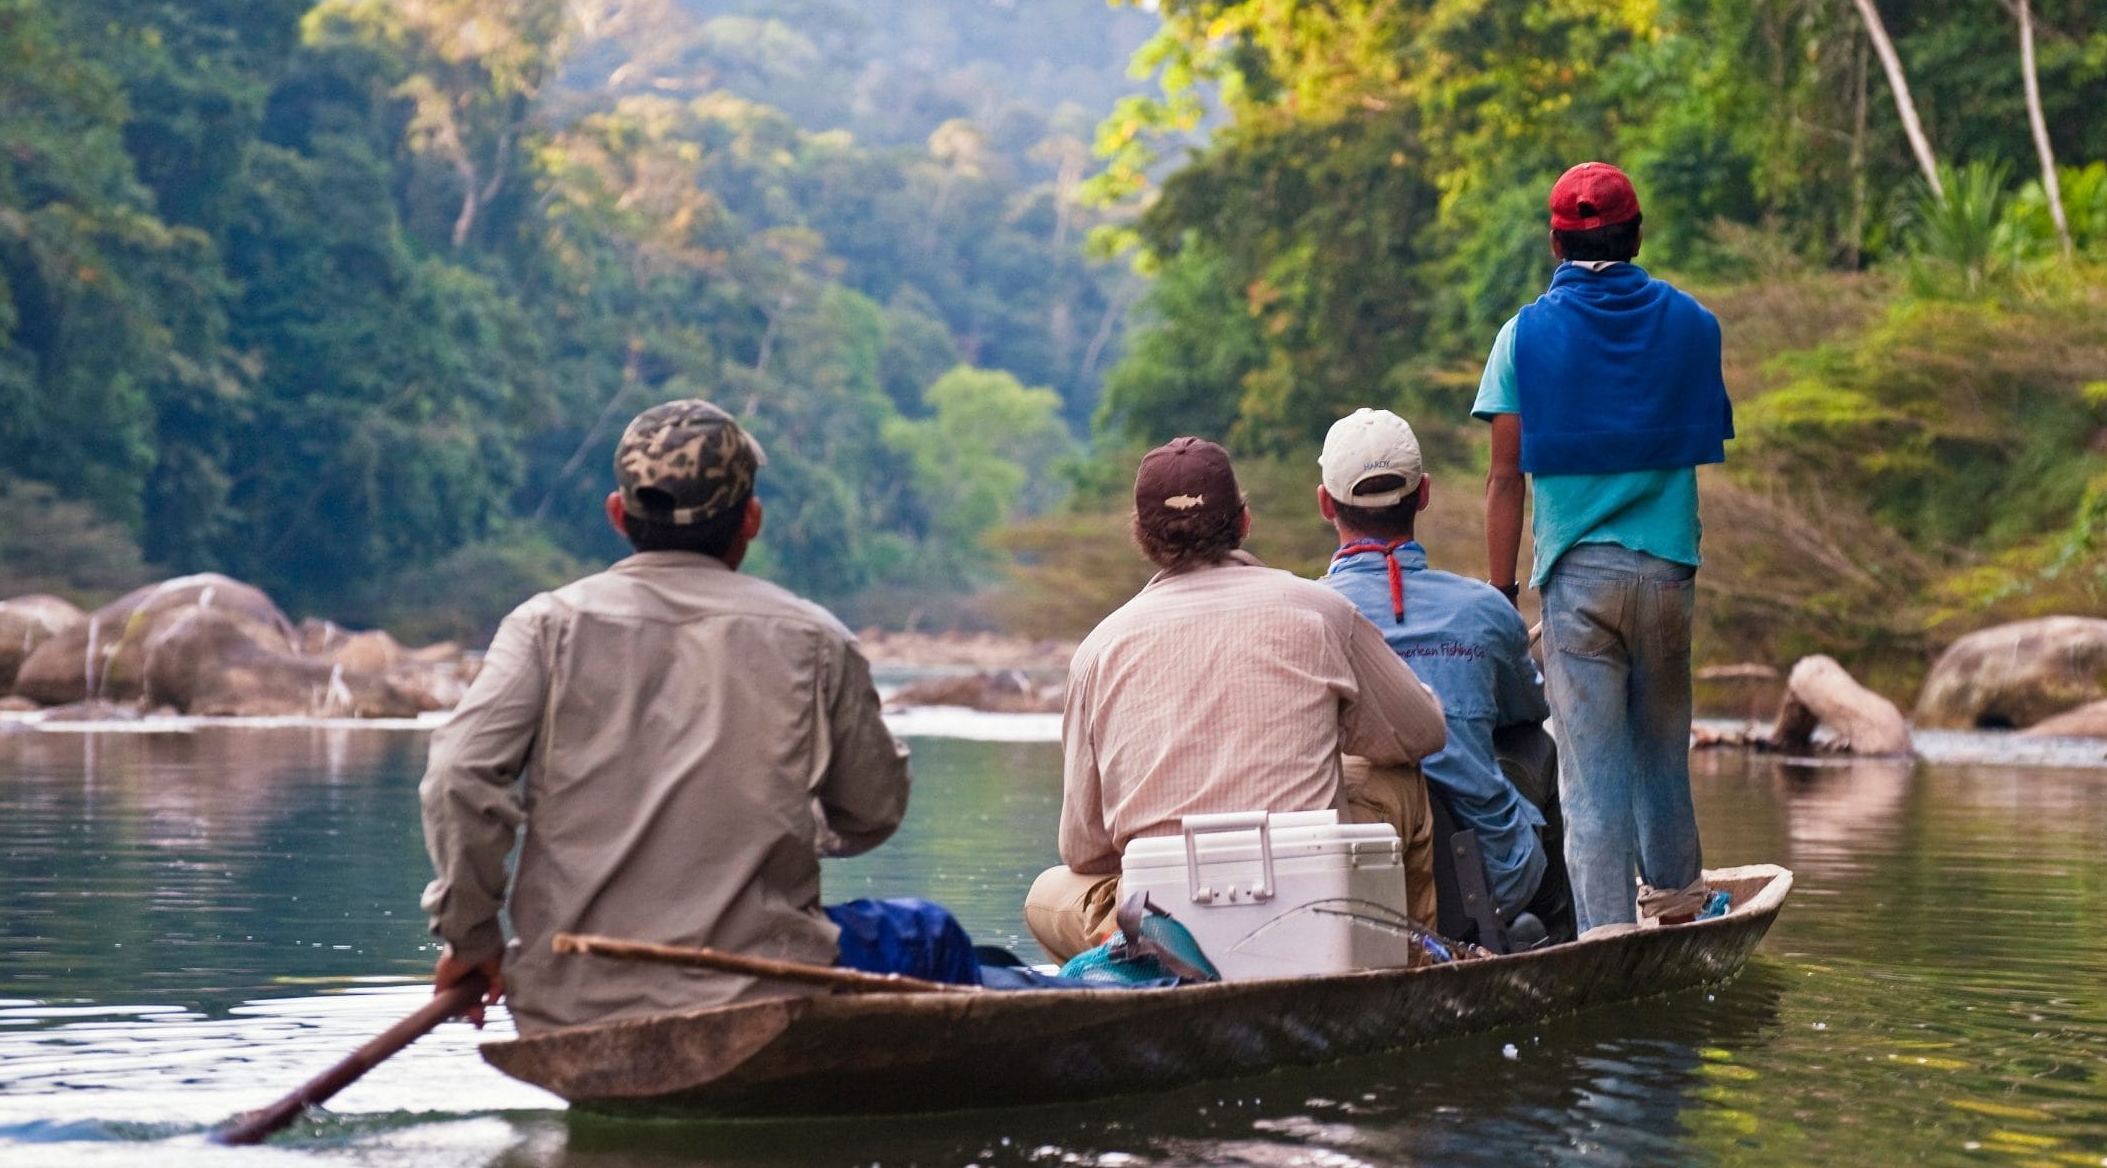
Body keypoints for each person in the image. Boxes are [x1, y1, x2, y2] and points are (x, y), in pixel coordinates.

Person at [419, 399, 971, 1034]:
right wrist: (778, 823)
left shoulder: (545, 627)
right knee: (930, 936)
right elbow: (873, 810)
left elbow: (457, 776)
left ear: (618, 514)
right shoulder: (816, 639)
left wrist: (471, 940)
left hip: (568, 996)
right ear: (751, 522)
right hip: (764, 990)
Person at [1026, 436, 1449, 961]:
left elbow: (1084, 849)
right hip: (1308, 897)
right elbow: (1423, 734)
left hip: (1160, 918)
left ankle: (1135, 985)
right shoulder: (1320, 609)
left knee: (1048, 891)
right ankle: (1414, 966)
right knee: (1397, 776)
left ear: (1141, 536)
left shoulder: (1097, 649)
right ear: (1244, 521)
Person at [1475, 162, 1733, 935]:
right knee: (1662, 748)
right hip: (1665, 574)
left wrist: (1502, 591)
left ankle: (1606, 936)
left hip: (1575, 579)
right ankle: (1680, 907)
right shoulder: (1694, 323)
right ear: (1638, 233)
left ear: (1556, 242)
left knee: (1591, 778)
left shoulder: (1522, 336)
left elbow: (1503, 481)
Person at [1312, 407, 1572, 941]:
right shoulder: (1483, 608)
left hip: (1347, 876)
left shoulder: (1302, 615)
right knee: (1536, 746)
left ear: (1325, 503)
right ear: (1423, 493)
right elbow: (1528, 710)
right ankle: (1565, 936)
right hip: (1488, 877)